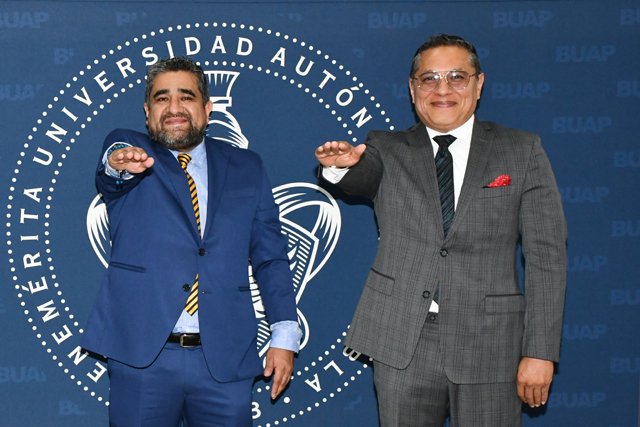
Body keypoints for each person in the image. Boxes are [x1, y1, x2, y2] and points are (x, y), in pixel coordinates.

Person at [315, 34, 567, 426]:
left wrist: (540, 351)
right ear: (412, 88)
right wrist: (340, 167)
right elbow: (361, 175)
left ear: (478, 85)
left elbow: (547, 258)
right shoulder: (385, 147)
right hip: (402, 342)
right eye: (429, 78)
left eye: (457, 77)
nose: (442, 89)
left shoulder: (522, 150)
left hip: (491, 345)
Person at [82, 57, 301, 427]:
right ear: (147, 111)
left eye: (186, 97)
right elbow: (112, 169)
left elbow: (271, 258)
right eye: (162, 98)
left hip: (225, 359)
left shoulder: (247, 167)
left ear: (207, 109)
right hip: (142, 358)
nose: (174, 107)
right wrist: (118, 163)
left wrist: (284, 335)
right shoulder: (133, 153)